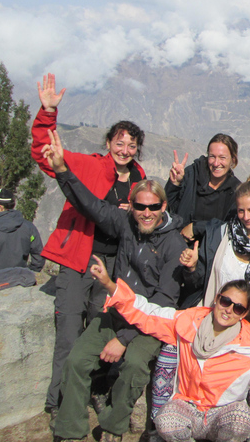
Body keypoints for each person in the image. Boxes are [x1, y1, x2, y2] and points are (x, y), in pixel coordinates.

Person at [88, 266, 250, 442]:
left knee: (241, 420)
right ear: (216, 299)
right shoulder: (187, 323)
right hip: (188, 406)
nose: (229, 309)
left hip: (224, 411)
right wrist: (112, 286)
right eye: (225, 301)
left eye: (238, 308)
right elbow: (149, 313)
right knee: (166, 421)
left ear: (245, 315)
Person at [42, 129, 186, 442]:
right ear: (130, 206)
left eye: (153, 207)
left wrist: (124, 337)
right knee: (78, 359)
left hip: (148, 323)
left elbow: (163, 301)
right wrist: (62, 171)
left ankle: (113, 425)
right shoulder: (126, 224)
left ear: (163, 207)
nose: (146, 213)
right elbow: (90, 205)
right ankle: (69, 429)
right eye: (140, 207)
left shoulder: (174, 245)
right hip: (117, 311)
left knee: (134, 365)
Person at [31, 73, 147, 419]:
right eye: (119, 143)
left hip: (112, 268)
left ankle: (93, 391)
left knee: (97, 332)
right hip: (79, 258)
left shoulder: (139, 178)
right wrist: (47, 113)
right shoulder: (89, 166)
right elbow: (45, 154)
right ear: (109, 142)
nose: (124, 151)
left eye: (131, 145)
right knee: (68, 333)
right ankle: (59, 403)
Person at [152, 174, 250, 441]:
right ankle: (167, 420)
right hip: (207, 315)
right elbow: (198, 279)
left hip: (245, 324)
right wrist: (192, 266)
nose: (246, 216)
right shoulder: (220, 233)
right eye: (240, 210)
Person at [165, 133, 242, 229]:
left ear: (233, 160)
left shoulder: (236, 191)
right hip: (181, 241)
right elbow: (168, 209)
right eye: (212, 156)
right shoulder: (191, 175)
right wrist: (174, 184)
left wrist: (196, 228)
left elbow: (231, 228)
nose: (216, 163)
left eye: (222, 157)